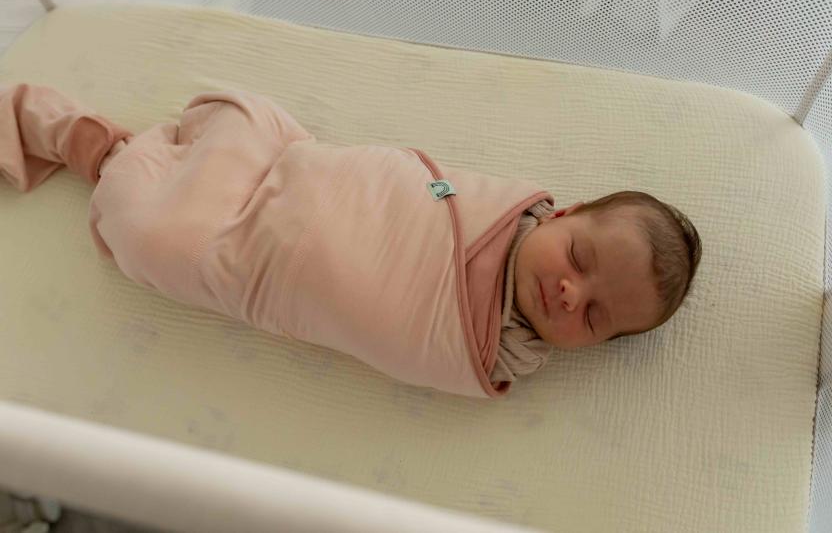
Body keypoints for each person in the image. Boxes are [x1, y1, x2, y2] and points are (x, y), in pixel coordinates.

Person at [0, 83, 701, 396]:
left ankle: (86, 144)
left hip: (253, 260)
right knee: (248, 149)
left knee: (153, 242)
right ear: (561, 212)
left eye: (596, 317)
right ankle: (103, 144)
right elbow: (398, 186)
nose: (570, 293)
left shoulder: (503, 355)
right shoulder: (501, 207)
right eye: (580, 257)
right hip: (294, 179)